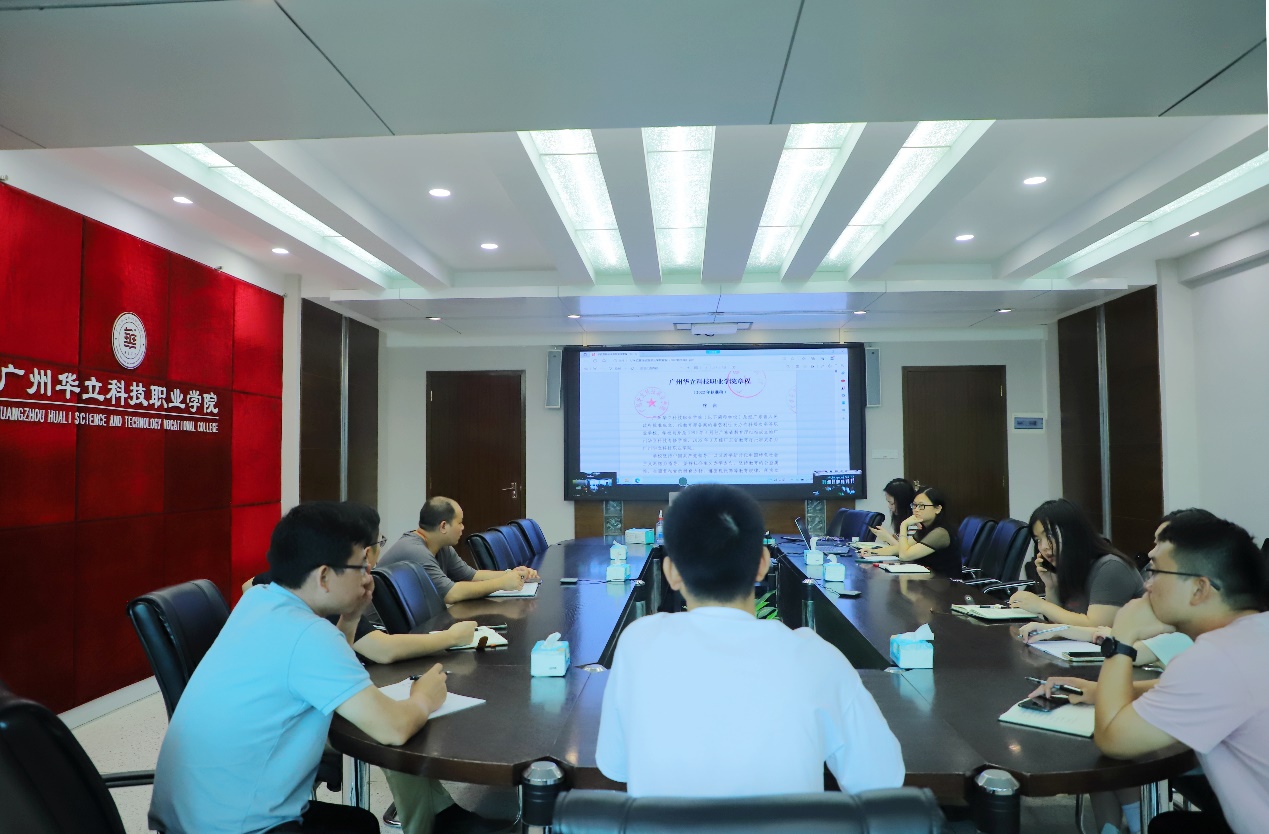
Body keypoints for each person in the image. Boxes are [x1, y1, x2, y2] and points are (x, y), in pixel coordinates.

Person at [149, 501, 448, 834]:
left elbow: (323, 663)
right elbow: (393, 728)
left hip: (194, 815)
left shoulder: (258, 599)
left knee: (359, 824)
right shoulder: (309, 634)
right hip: (241, 827)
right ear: (324, 576)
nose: (368, 575)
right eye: (359, 566)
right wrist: (425, 697)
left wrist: (350, 618)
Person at [595, 483, 905, 796]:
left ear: (671, 572)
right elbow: (880, 780)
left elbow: (615, 766)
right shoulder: (817, 658)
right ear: (762, 564)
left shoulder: (639, 643)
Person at [1087, 513, 1268, 834]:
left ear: (1199, 589)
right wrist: (1105, 691)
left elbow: (1113, 739)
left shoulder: (1217, 657)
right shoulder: (1253, 634)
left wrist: (1123, 635)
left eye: (1156, 571)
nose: (1147, 584)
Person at [243, 502, 479, 663]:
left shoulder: (292, 577)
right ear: (365, 552)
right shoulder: (324, 592)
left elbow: (248, 585)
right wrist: (452, 637)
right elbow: (383, 650)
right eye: (380, 543)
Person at [378, 496, 538, 603]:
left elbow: (471, 575)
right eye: (459, 522)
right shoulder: (415, 550)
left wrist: (512, 574)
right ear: (443, 526)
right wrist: (501, 583)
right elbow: (451, 594)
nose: (463, 527)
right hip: (385, 629)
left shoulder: (441, 546)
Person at [1009, 499, 1143, 627]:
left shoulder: (1111, 567)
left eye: (1050, 535)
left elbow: (1096, 627)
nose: (1044, 547)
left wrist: (1042, 606)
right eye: (1038, 540)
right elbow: (1059, 622)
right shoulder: (1071, 567)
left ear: (1073, 534)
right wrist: (1052, 587)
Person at [879, 485, 960, 575]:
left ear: (938, 509)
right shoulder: (924, 528)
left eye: (921, 506)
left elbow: (904, 555)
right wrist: (872, 552)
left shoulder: (940, 533)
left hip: (943, 581)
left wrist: (904, 525)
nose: (916, 510)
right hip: (926, 579)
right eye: (914, 505)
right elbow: (900, 548)